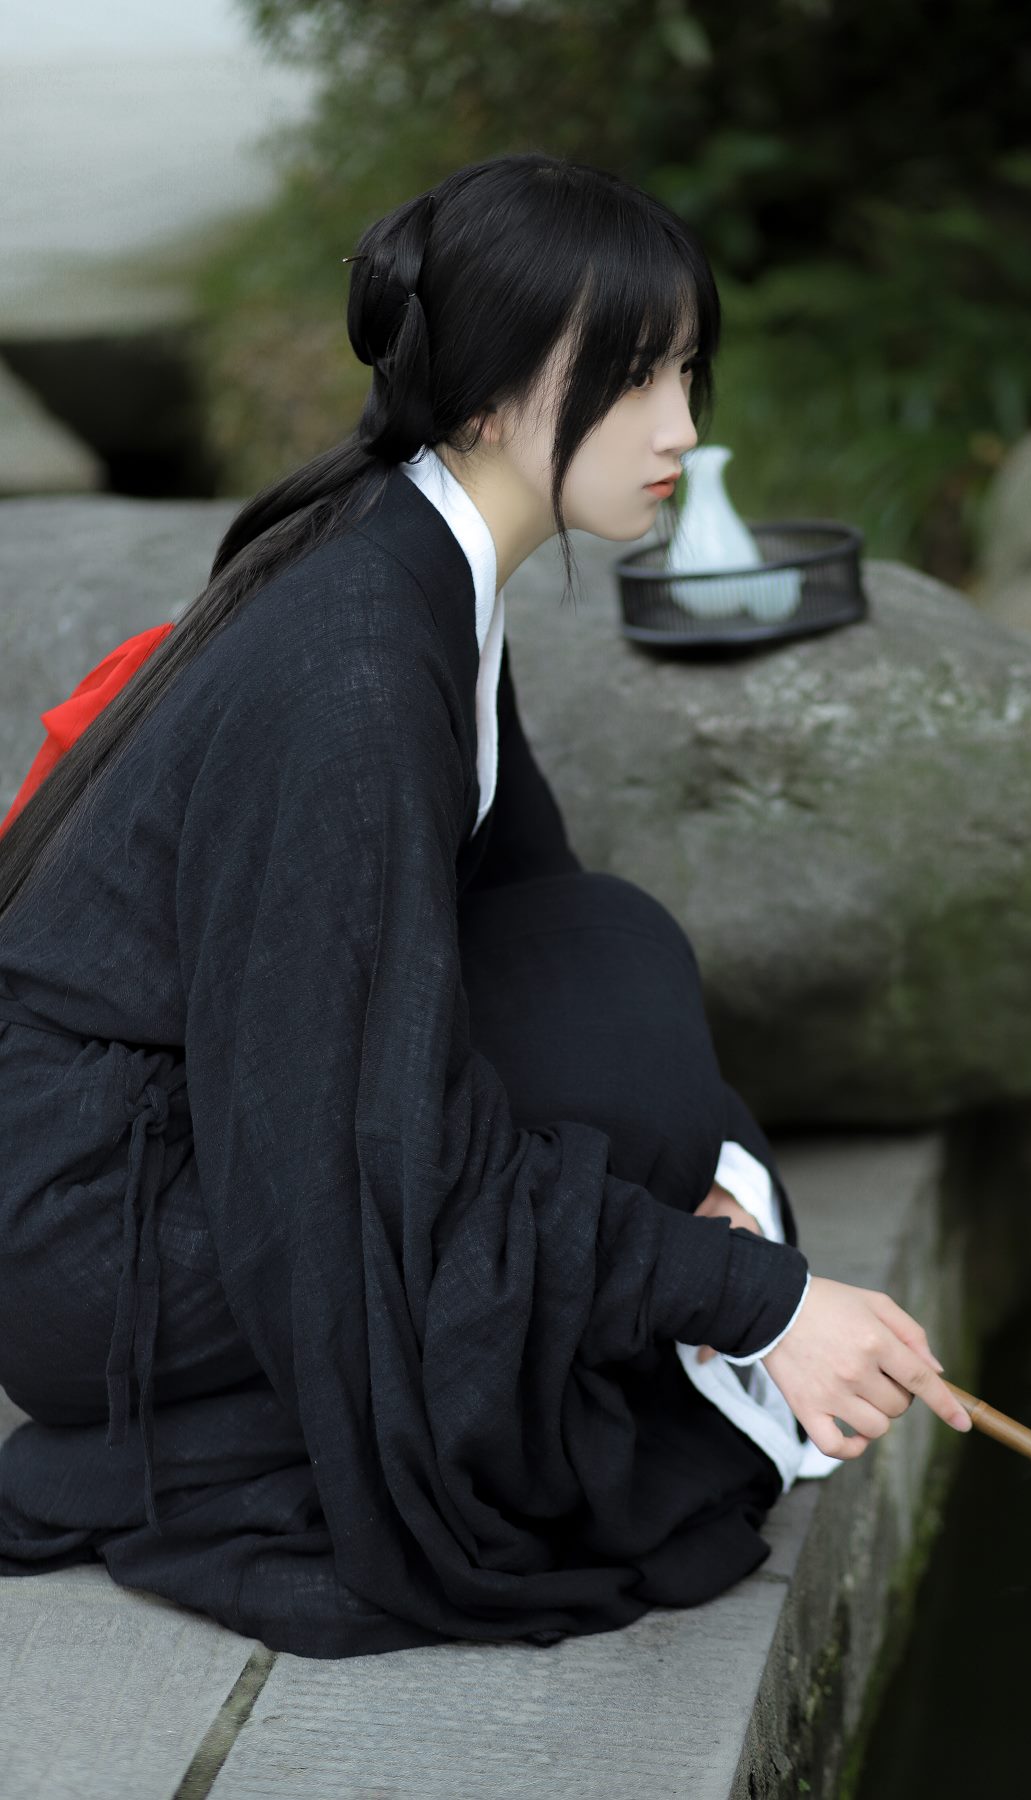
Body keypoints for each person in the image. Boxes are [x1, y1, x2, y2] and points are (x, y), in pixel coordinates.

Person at [0, 151, 969, 1659]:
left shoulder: (424, 556)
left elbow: (536, 900)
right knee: (567, 1374)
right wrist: (755, 1298)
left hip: (198, 1114)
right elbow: (354, 1137)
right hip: (95, 1234)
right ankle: (156, 1437)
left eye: (686, 371)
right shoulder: (355, 667)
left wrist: (705, 1179)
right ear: (486, 400)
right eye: (634, 378)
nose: (681, 427)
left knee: (612, 952)